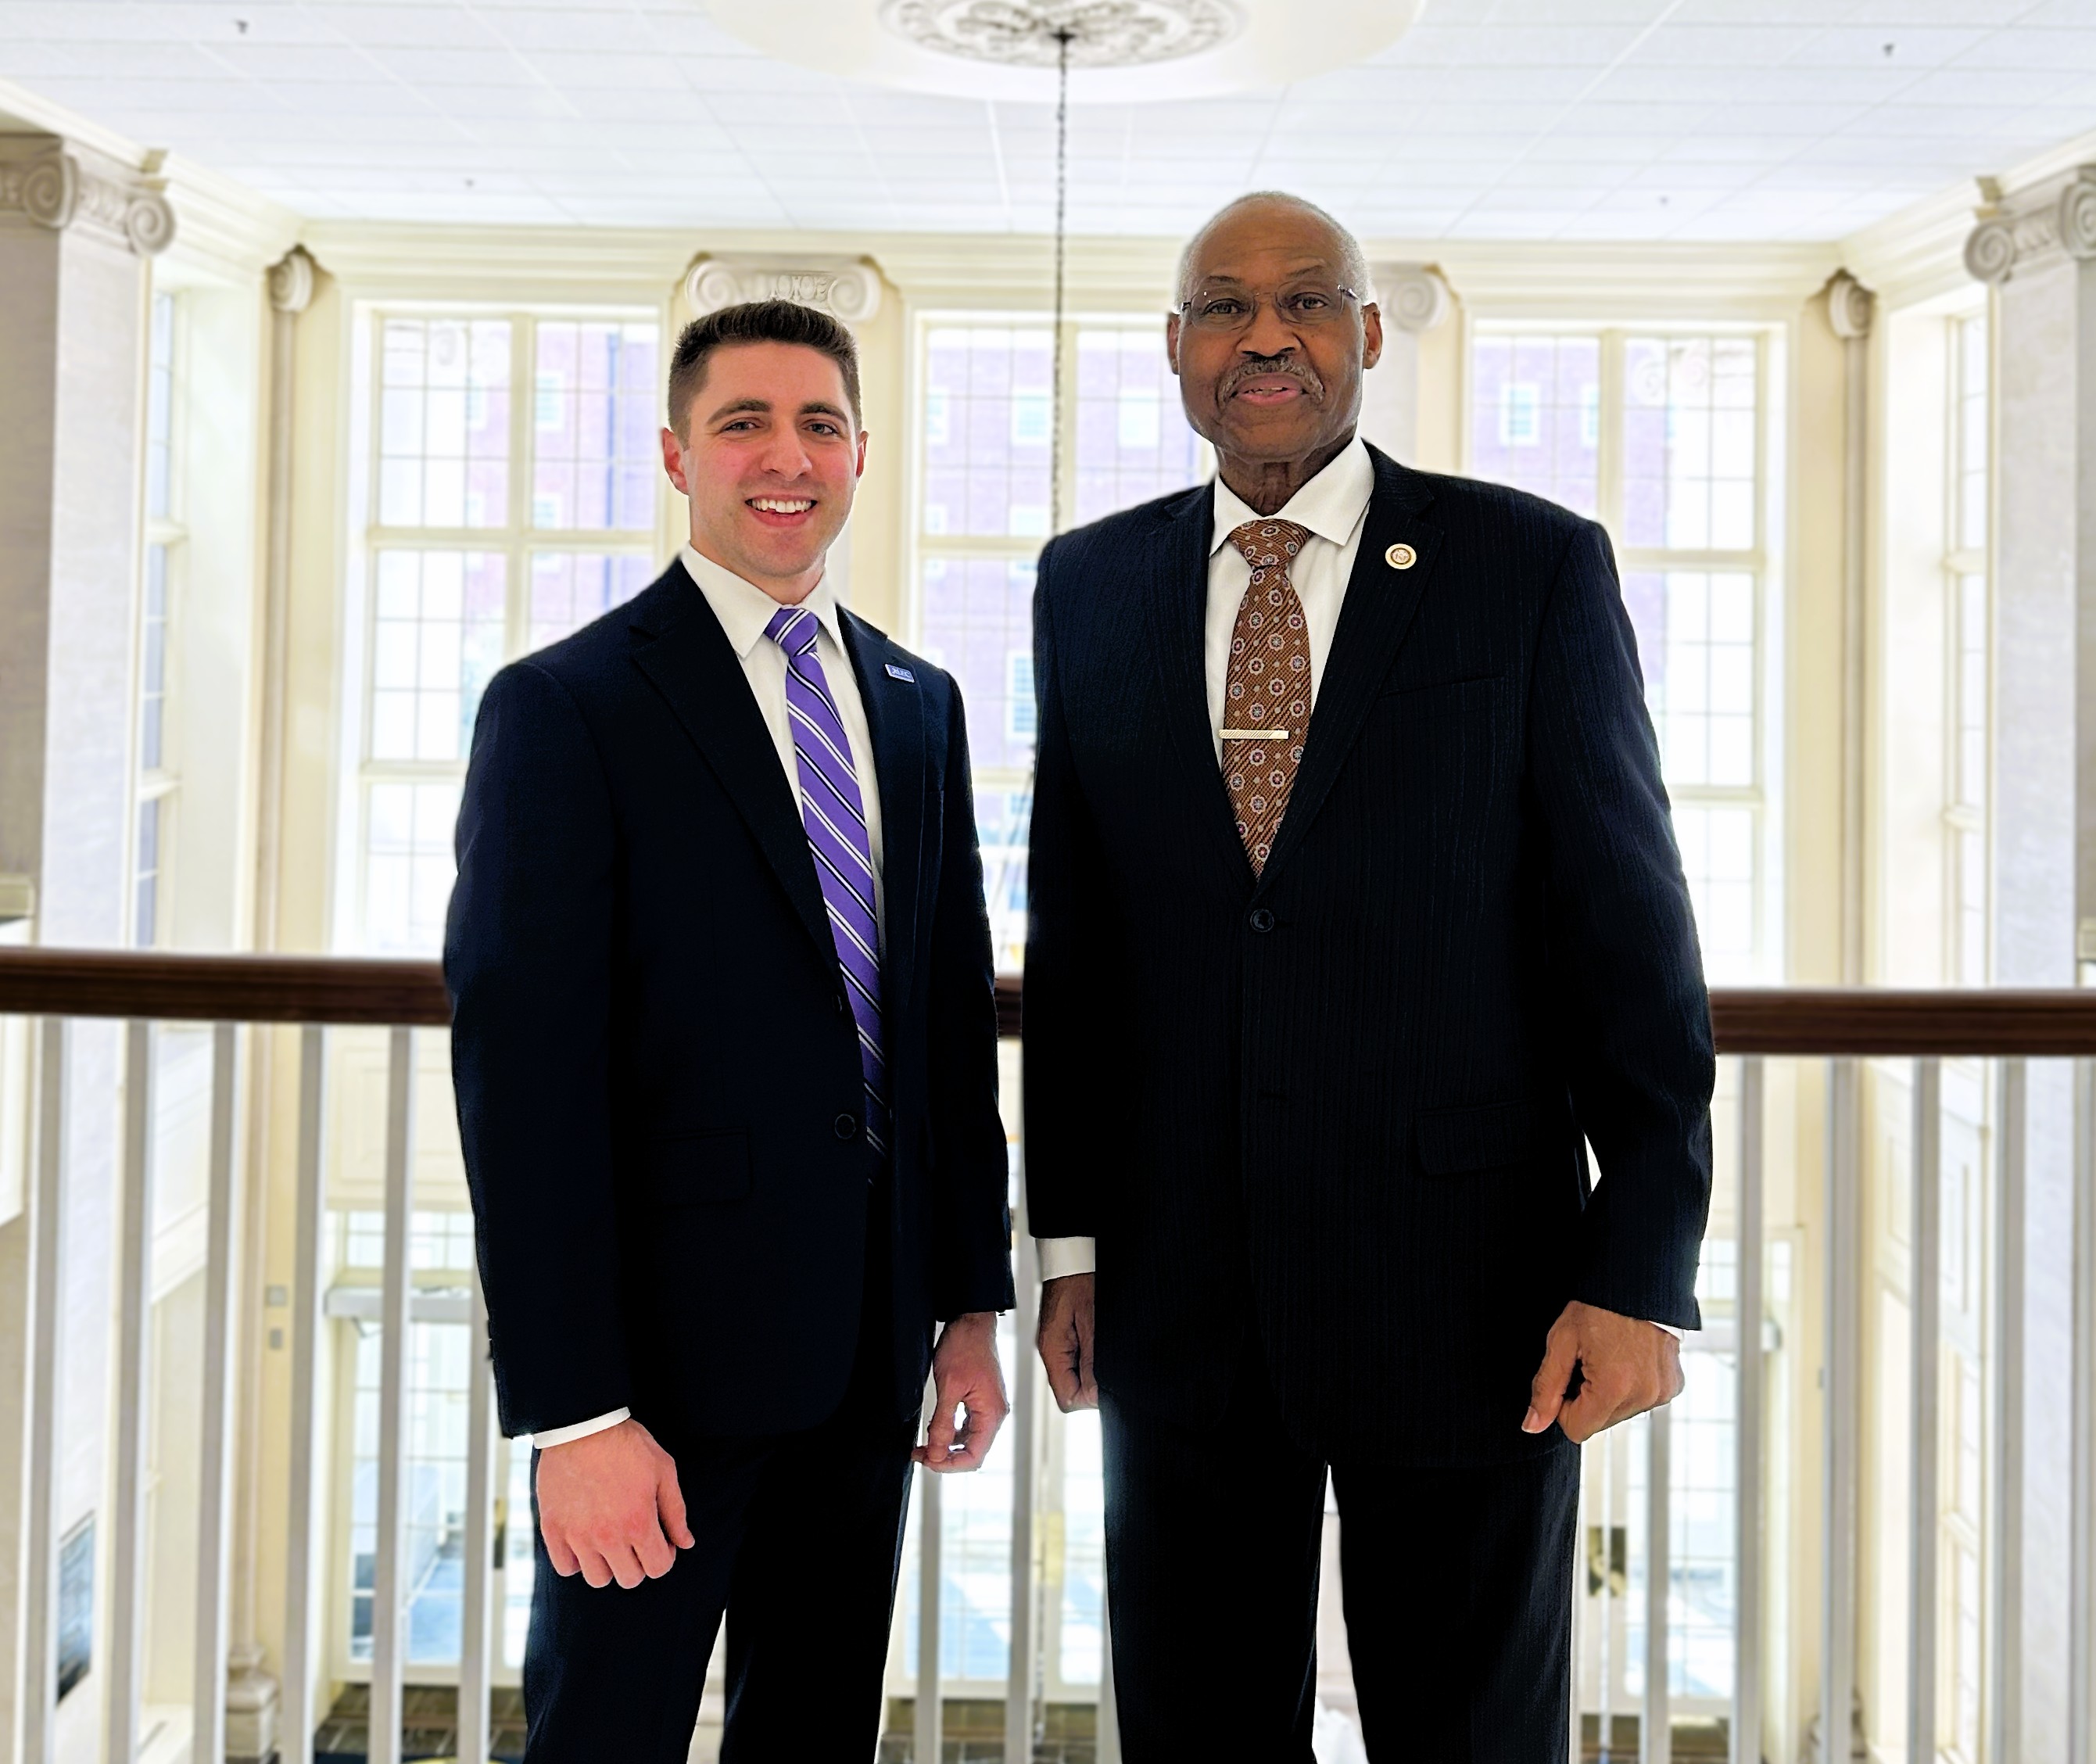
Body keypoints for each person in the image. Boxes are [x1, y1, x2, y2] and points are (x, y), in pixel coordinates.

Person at [1024, 194, 1714, 1762]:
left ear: (1368, 337)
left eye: (1308, 303)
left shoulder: (1526, 569)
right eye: (1224, 307)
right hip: (1181, 1295)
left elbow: (1635, 937)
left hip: (1477, 1300)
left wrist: (1639, 1265)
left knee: (1468, 1733)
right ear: (1179, 352)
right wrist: (1068, 1239)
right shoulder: (1091, 586)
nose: (1266, 335)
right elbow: (1077, 944)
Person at [446, 299, 1015, 1762]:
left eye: (818, 423)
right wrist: (574, 1414)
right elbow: (523, 1083)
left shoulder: (917, 703)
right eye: (743, 422)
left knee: (816, 1731)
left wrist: (964, 1307)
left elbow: (945, 1025)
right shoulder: (566, 706)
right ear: (674, 455)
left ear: (862, 455)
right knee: (605, 1737)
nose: (786, 456)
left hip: (869, 1347)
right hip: (658, 1379)